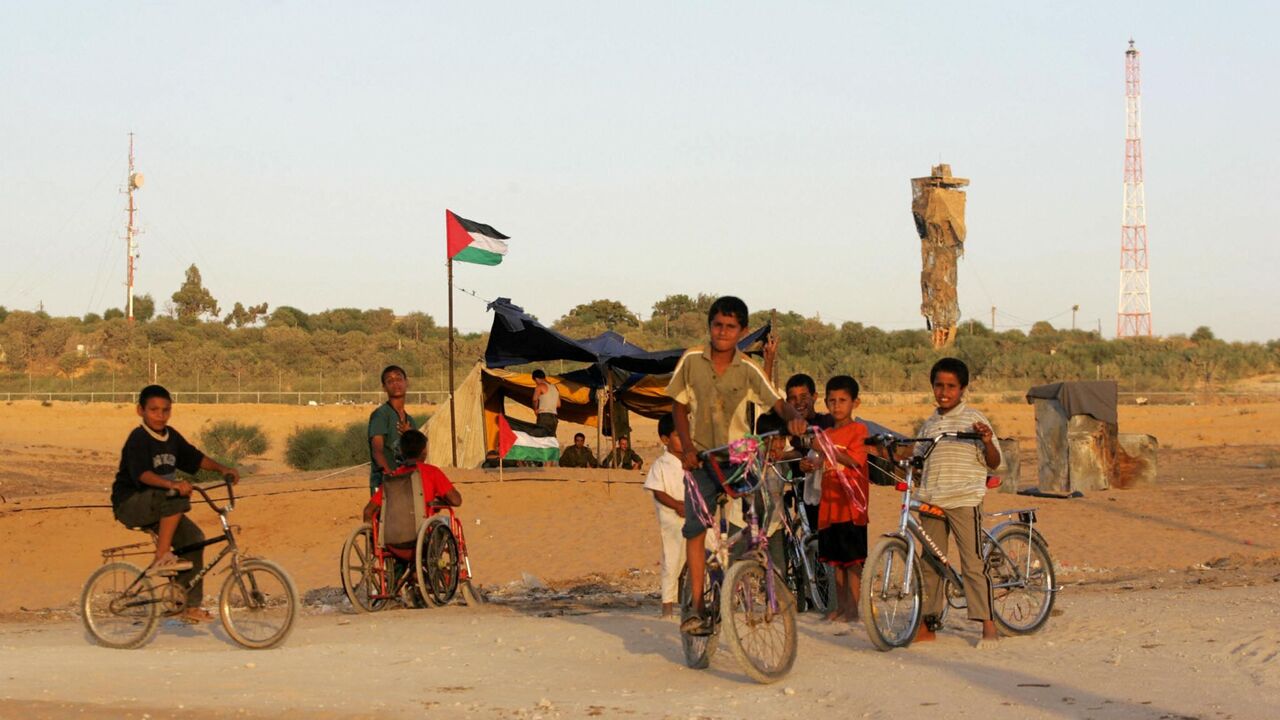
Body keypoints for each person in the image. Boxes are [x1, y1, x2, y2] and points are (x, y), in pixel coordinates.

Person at [668, 296, 807, 635]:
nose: (723, 332)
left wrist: (795, 419)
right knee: (696, 530)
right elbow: (677, 406)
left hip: (740, 458)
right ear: (709, 326)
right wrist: (686, 448)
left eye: (731, 327)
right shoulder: (690, 360)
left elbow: (777, 402)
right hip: (701, 458)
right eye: (718, 325)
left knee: (758, 517)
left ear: (742, 331)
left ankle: (741, 573)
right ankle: (697, 607)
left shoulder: (748, 367)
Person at [110, 385, 240, 623]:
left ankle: (186, 605)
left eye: (166, 410)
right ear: (140, 410)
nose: (160, 415)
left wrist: (222, 469)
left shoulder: (172, 437)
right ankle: (162, 554)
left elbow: (195, 457)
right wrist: (172, 485)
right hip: (131, 503)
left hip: (161, 504)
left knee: (194, 539)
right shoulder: (138, 438)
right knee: (177, 495)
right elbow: (142, 475)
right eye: (154, 410)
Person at [914, 357, 1003, 649]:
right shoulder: (928, 425)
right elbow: (918, 462)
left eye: (951, 386)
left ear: (962, 389)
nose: (944, 391)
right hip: (932, 500)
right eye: (939, 385)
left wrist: (987, 441)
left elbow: (994, 461)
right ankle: (928, 624)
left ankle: (988, 624)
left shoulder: (974, 421)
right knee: (930, 563)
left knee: (973, 562)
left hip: (964, 499)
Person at [813, 375, 869, 623]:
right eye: (832, 401)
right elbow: (820, 463)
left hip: (851, 506)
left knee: (852, 561)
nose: (837, 406)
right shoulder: (825, 433)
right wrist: (810, 461)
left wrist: (826, 448)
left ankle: (854, 608)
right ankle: (841, 606)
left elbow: (855, 460)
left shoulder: (859, 430)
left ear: (855, 403)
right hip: (829, 505)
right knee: (836, 561)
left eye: (842, 400)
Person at [363, 429, 462, 525]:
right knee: (452, 524)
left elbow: (368, 511)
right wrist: (439, 502)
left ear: (402, 451)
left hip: (396, 531)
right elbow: (456, 500)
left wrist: (372, 538)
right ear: (424, 451)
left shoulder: (393, 477)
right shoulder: (432, 472)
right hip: (424, 528)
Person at [642, 413, 685, 618]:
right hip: (672, 520)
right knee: (672, 561)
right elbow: (657, 491)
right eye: (679, 435)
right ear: (665, 439)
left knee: (708, 554)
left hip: (694, 516)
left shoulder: (690, 461)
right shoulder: (660, 464)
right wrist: (676, 505)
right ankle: (667, 606)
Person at [368, 365, 417, 495]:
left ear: (406, 382)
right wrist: (390, 475)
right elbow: (377, 451)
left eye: (399, 379)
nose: (395, 383)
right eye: (390, 381)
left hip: (406, 481)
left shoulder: (410, 421)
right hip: (385, 481)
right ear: (384, 388)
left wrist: (410, 435)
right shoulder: (381, 415)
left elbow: (419, 454)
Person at [530, 369, 560, 438]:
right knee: (551, 438)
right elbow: (558, 404)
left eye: (535, 381)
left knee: (541, 438)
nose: (536, 383)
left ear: (536, 378)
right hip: (554, 418)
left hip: (544, 416)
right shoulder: (555, 387)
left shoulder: (540, 386)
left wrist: (535, 409)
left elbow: (535, 400)